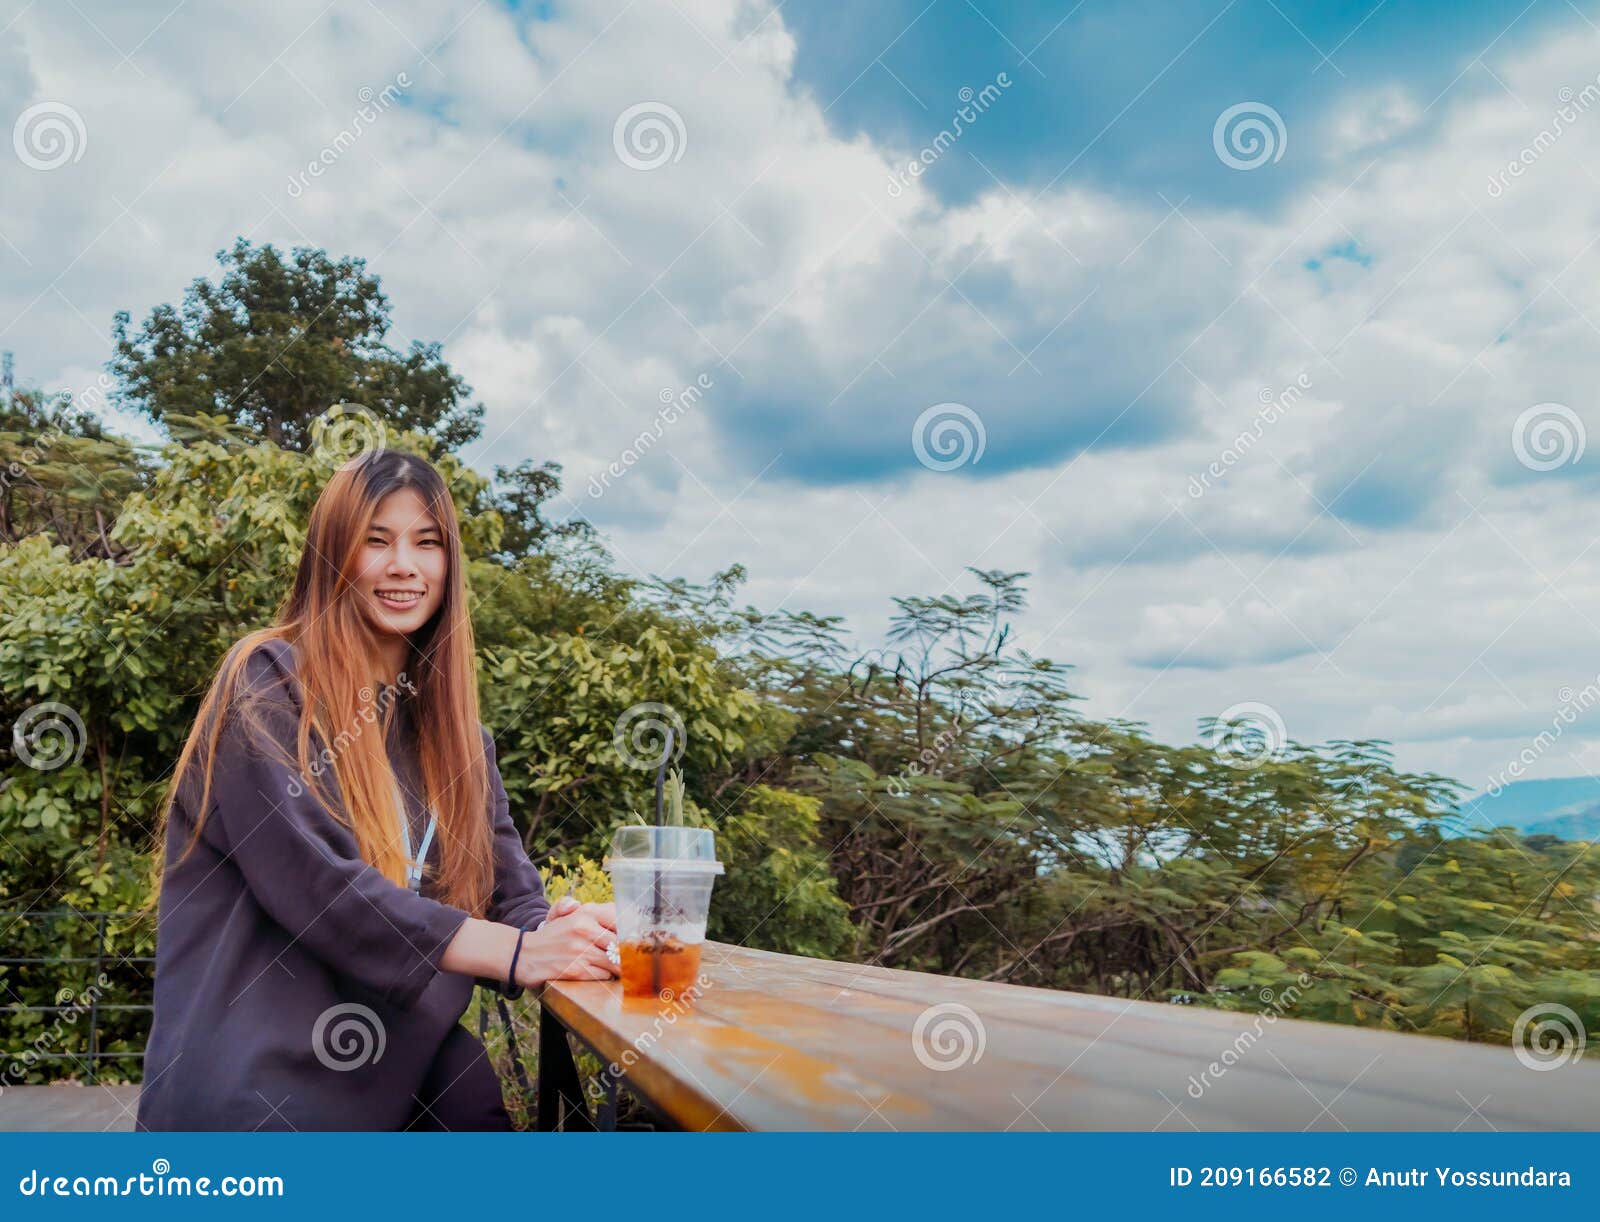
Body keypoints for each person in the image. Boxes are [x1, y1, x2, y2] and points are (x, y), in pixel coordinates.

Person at [135, 448, 618, 1131]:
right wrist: (516, 953)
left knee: (474, 1099)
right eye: (376, 541)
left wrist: (561, 932)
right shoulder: (267, 684)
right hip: (259, 1091)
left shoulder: (459, 737)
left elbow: (508, 892)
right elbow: (324, 889)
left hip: (402, 1075)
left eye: (427, 543)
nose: (404, 566)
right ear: (333, 555)